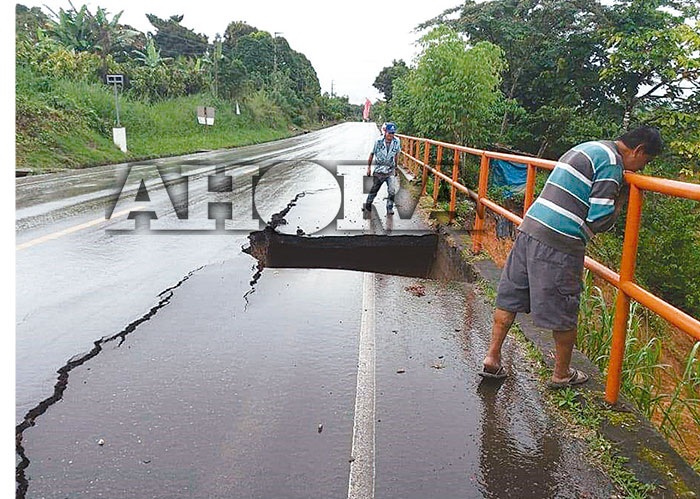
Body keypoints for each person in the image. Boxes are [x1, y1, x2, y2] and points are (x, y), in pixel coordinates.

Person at [480, 126, 663, 388]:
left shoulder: (590, 146)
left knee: (511, 296)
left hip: (530, 227)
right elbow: (599, 218)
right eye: (646, 161)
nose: (642, 169)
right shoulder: (612, 163)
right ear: (638, 150)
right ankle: (562, 373)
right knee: (565, 307)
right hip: (559, 240)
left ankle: (492, 357)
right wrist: (621, 198)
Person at [364, 122, 401, 215]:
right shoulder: (378, 141)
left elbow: (397, 154)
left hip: (390, 170)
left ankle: (389, 207)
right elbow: (372, 154)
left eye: (393, 133)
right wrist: (369, 168)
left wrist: (396, 167)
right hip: (379, 171)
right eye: (389, 133)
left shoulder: (397, 141)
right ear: (385, 132)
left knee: (392, 190)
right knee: (374, 190)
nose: (391, 135)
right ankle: (368, 204)